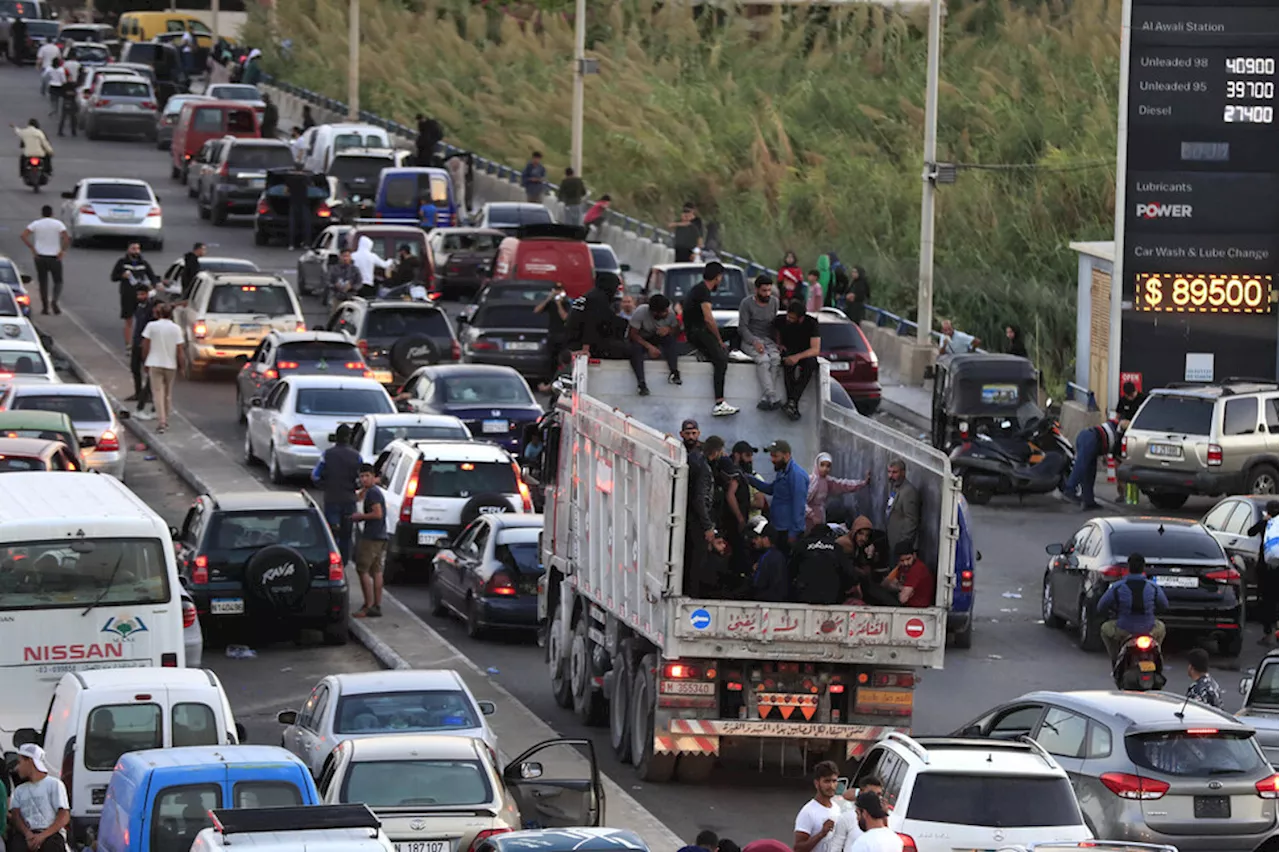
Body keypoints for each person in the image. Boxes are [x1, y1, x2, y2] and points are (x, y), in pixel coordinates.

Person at [684, 262, 737, 417]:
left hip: (700, 330)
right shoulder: (703, 292)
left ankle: (733, 352)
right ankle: (719, 402)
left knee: (736, 331)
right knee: (720, 361)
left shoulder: (699, 289)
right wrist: (719, 341)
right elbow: (708, 319)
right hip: (698, 332)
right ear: (718, 277)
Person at [1097, 553, 1169, 661]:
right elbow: (1164, 605)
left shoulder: (1118, 587)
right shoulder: (1153, 587)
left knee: (1105, 629)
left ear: (1128, 567)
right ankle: (1156, 654)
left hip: (1124, 629)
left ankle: (1116, 658)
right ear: (1143, 568)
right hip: (1149, 628)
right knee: (1161, 627)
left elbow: (1101, 606)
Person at [312, 424, 364, 568]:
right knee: (346, 535)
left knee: (332, 533)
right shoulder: (356, 457)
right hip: (349, 501)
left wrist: (324, 485)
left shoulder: (327, 455)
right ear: (349, 437)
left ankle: (332, 561)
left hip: (332, 499)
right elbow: (360, 480)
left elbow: (315, 476)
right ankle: (343, 563)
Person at [749, 440, 808, 552]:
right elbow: (772, 489)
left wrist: (793, 533)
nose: (772, 460)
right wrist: (750, 479)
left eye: (775, 456)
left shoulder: (797, 475)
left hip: (788, 531)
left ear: (787, 455)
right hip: (778, 527)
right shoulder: (782, 471)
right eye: (771, 456)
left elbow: (799, 506)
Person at [9, 743, 70, 852]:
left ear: (30, 761)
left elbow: (64, 815)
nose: (17, 768)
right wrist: (28, 834)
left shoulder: (54, 784)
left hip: (51, 834)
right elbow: (16, 815)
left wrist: (42, 836)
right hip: (27, 835)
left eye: (20, 762)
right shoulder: (19, 790)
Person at [681, 419, 717, 597]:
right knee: (695, 559)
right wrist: (707, 525)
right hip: (693, 517)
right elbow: (700, 497)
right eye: (687, 434)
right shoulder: (699, 463)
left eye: (694, 433)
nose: (691, 437)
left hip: (692, 516)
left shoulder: (699, 458)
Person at [1062, 416, 1124, 511]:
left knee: (1090, 472)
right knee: (1081, 466)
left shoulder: (1120, 441)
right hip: (1091, 437)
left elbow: (1117, 461)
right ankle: (1070, 490)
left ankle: (1089, 500)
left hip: (1092, 440)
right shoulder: (1120, 427)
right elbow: (1122, 423)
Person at [773, 300, 822, 421]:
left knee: (811, 364)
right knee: (787, 365)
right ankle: (791, 402)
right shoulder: (781, 320)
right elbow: (775, 330)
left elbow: (815, 349)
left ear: (800, 319)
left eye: (792, 318)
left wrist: (798, 357)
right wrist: (779, 344)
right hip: (789, 350)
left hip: (804, 353)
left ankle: (793, 400)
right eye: (788, 316)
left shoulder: (811, 323)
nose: (789, 320)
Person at [739, 275, 782, 410]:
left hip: (768, 340)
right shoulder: (746, 304)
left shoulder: (774, 302)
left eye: (769, 290)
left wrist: (779, 342)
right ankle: (771, 394)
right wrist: (754, 342)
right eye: (764, 291)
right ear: (757, 290)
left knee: (775, 359)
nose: (767, 294)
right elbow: (742, 328)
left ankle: (766, 397)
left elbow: (774, 325)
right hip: (751, 339)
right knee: (763, 360)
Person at [351, 463, 388, 618]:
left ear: (373, 476)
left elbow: (377, 513)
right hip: (381, 536)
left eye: (367, 476)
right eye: (362, 476)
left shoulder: (373, 493)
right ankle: (376, 606)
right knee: (376, 571)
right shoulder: (372, 491)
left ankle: (368, 605)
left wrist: (360, 517)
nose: (364, 479)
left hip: (372, 537)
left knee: (362, 569)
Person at [140, 303, 184, 433]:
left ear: (158, 314)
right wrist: (182, 366)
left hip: (154, 362)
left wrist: (145, 362)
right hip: (170, 365)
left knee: (157, 393)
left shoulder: (151, 326)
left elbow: (145, 346)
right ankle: (167, 418)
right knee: (168, 394)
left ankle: (161, 421)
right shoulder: (176, 329)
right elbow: (179, 350)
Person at [627, 292, 681, 396]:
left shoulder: (670, 314)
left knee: (670, 340)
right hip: (641, 340)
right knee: (635, 349)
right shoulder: (641, 312)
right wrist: (649, 347)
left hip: (657, 337)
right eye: (664, 312)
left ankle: (674, 372)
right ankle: (641, 383)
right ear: (654, 312)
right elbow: (633, 334)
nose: (667, 313)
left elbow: (676, 331)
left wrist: (669, 329)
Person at [20, 204, 68, 315]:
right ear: (52, 213)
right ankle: (54, 301)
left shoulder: (36, 224)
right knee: (58, 281)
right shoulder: (58, 224)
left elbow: (23, 235)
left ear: (42, 213)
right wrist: (62, 250)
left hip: (40, 256)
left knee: (43, 282)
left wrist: (32, 248)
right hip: (54, 257)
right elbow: (66, 238)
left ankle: (45, 306)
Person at [111, 242, 158, 350]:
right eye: (133, 248)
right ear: (128, 250)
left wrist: (153, 286)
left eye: (137, 249)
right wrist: (122, 275)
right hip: (127, 295)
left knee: (143, 319)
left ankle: (141, 343)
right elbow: (113, 277)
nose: (136, 251)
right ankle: (128, 345)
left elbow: (152, 276)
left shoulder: (144, 263)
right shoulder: (122, 262)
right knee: (128, 319)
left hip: (142, 296)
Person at [807, 452, 869, 532]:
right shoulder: (810, 481)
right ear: (817, 465)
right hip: (808, 519)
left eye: (828, 466)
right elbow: (800, 502)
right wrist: (812, 516)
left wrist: (862, 483)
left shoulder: (827, 481)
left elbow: (843, 485)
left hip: (820, 516)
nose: (825, 468)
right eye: (822, 465)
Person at [792, 523, 851, 605]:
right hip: (830, 597)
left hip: (805, 595)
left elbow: (791, 569)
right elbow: (848, 572)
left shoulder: (802, 545)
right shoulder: (836, 548)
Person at [793, 761, 841, 852]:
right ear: (817, 783)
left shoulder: (837, 808)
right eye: (827, 781)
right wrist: (821, 834)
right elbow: (798, 848)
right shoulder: (808, 812)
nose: (831, 786)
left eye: (834, 781)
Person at [1251, 500, 1280, 645]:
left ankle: (1268, 632)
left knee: (1267, 602)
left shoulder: (1266, 524)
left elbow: (1250, 532)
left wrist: (1263, 521)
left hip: (1266, 571)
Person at [830, 777, 885, 852]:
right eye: (872, 793)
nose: (876, 798)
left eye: (879, 794)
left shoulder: (884, 820)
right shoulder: (847, 817)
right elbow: (836, 846)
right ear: (861, 792)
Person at [126, 284, 156, 408]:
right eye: (138, 294)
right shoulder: (139, 307)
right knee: (134, 368)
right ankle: (138, 392)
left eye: (142, 294)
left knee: (148, 369)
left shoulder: (151, 309)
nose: (140, 297)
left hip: (146, 344)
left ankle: (148, 394)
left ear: (147, 294)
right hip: (136, 341)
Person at [747, 516, 789, 601]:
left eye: (756, 538)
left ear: (766, 539)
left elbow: (758, 583)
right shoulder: (780, 556)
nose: (753, 541)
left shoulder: (766, 557)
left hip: (765, 601)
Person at [885, 458, 921, 554]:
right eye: (889, 472)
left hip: (901, 545)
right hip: (892, 541)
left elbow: (911, 520)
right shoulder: (894, 488)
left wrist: (903, 543)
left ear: (903, 473)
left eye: (894, 472)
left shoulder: (908, 492)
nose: (890, 476)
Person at [882, 541, 934, 607]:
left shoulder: (918, 568)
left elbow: (902, 598)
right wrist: (901, 588)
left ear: (914, 555)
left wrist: (897, 587)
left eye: (908, 559)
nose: (906, 563)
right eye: (902, 560)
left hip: (916, 607)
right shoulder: (902, 567)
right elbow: (886, 584)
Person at [535, 282, 571, 376]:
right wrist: (549, 298)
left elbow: (565, 317)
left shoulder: (566, 303)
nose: (557, 292)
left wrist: (559, 304)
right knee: (550, 360)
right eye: (556, 290)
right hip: (552, 334)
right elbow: (537, 310)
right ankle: (549, 380)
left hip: (563, 335)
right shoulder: (550, 303)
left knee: (562, 359)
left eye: (559, 290)